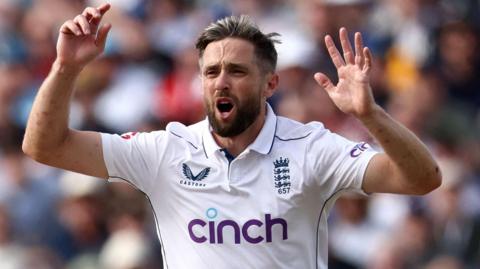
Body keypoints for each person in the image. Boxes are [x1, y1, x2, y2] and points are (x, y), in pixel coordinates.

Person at [22, 3, 442, 269]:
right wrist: (66, 69)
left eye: (237, 71)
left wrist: (370, 115)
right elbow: (45, 146)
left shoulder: (311, 148)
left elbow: (422, 179)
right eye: (211, 72)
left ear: (270, 85)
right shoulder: (165, 151)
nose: (221, 82)